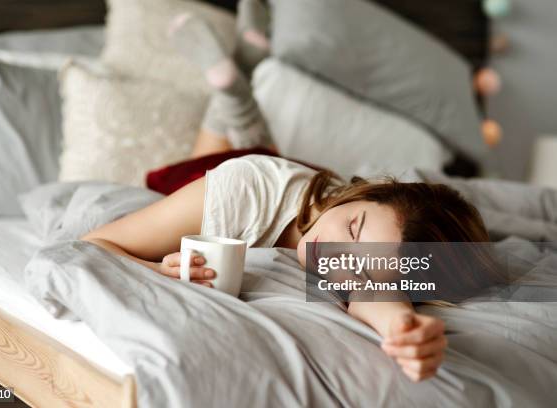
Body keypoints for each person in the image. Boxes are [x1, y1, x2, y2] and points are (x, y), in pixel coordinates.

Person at [84, 2, 496, 383]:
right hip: (227, 181)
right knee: (221, 157)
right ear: (362, 194)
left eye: (363, 265)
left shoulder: (371, 245)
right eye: (353, 228)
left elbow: (376, 298)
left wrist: (402, 329)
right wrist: (159, 271)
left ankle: (240, 78)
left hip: (295, 178)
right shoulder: (240, 194)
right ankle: (235, 85)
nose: (333, 252)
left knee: (260, 148)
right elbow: (93, 244)